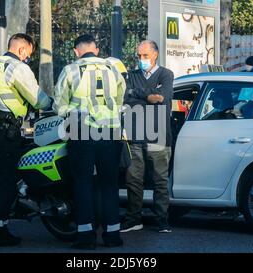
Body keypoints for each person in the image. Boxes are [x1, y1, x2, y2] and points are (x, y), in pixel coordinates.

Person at [0, 33, 52, 247]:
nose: (27, 59)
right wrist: (51, 104)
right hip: (5, 131)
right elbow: (37, 98)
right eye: (28, 55)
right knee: (9, 179)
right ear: (22, 50)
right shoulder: (17, 68)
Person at [53, 34, 126, 250]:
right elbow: (121, 98)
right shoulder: (113, 69)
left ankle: (86, 237)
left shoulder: (71, 70)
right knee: (109, 185)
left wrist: (71, 113)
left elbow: (59, 105)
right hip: (111, 132)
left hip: (81, 132)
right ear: (95, 50)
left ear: (77, 51)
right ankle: (113, 236)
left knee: (83, 183)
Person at [120, 40, 174, 233]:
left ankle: (162, 221)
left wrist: (137, 95)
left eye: (145, 55)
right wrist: (146, 95)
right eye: (139, 56)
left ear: (155, 55)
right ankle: (133, 218)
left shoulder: (166, 74)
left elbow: (162, 98)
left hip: (158, 134)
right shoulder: (131, 76)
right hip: (135, 134)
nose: (141, 59)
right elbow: (124, 95)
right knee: (133, 178)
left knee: (160, 179)